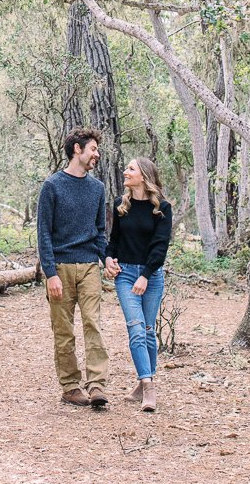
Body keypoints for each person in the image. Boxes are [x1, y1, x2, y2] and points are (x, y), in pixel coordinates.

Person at [36, 127, 109, 407]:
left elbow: (99, 232)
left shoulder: (97, 189)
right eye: (93, 149)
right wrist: (51, 273)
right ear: (77, 150)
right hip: (61, 267)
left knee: (93, 324)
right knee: (63, 330)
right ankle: (69, 386)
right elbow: (43, 233)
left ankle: (97, 385)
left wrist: (107, 259)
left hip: (90, 266)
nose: (96, 154)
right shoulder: (52, 186)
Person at [103, 156, 172, 413]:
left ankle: (143, 383)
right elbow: (114, 240)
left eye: (130, 169)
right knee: (135, 328)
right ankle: (149, 385)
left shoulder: (162, 207)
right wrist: (108, 258)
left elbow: (160, 246)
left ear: (143, 175)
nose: (125, 171)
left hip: (151, 276)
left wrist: (145, 275)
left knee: (147, 330)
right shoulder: (122, 205)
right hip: (125, 275)